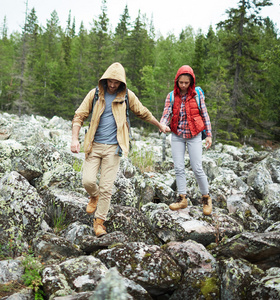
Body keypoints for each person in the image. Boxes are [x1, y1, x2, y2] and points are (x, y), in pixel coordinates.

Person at [71, 62, 170, 237]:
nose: (112, 85)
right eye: (110, 81)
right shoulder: (94, 94)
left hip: (113, 148)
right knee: (87, 181)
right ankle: (94, 195)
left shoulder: (126, 96)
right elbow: (79, 116)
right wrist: (74, 139)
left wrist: (159, 125)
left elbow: (143, 112)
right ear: (105, 79)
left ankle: (99, 222)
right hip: (93, 146)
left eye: (116, 83)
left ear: (122, 83)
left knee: (106, 187)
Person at [160, 65, 213, 215]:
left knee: (197, 167)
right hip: (177, 135)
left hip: (194, 135)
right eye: (181, 82)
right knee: (178, 167)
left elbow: (205, 115)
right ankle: (182, 199)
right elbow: (166, 114)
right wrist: (162, 124)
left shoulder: (197, 95)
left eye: (186, 83)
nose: (183, 85)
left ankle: (206, 198)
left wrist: (208, 135)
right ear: (176, 81)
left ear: (191, 82)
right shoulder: (171, 96)